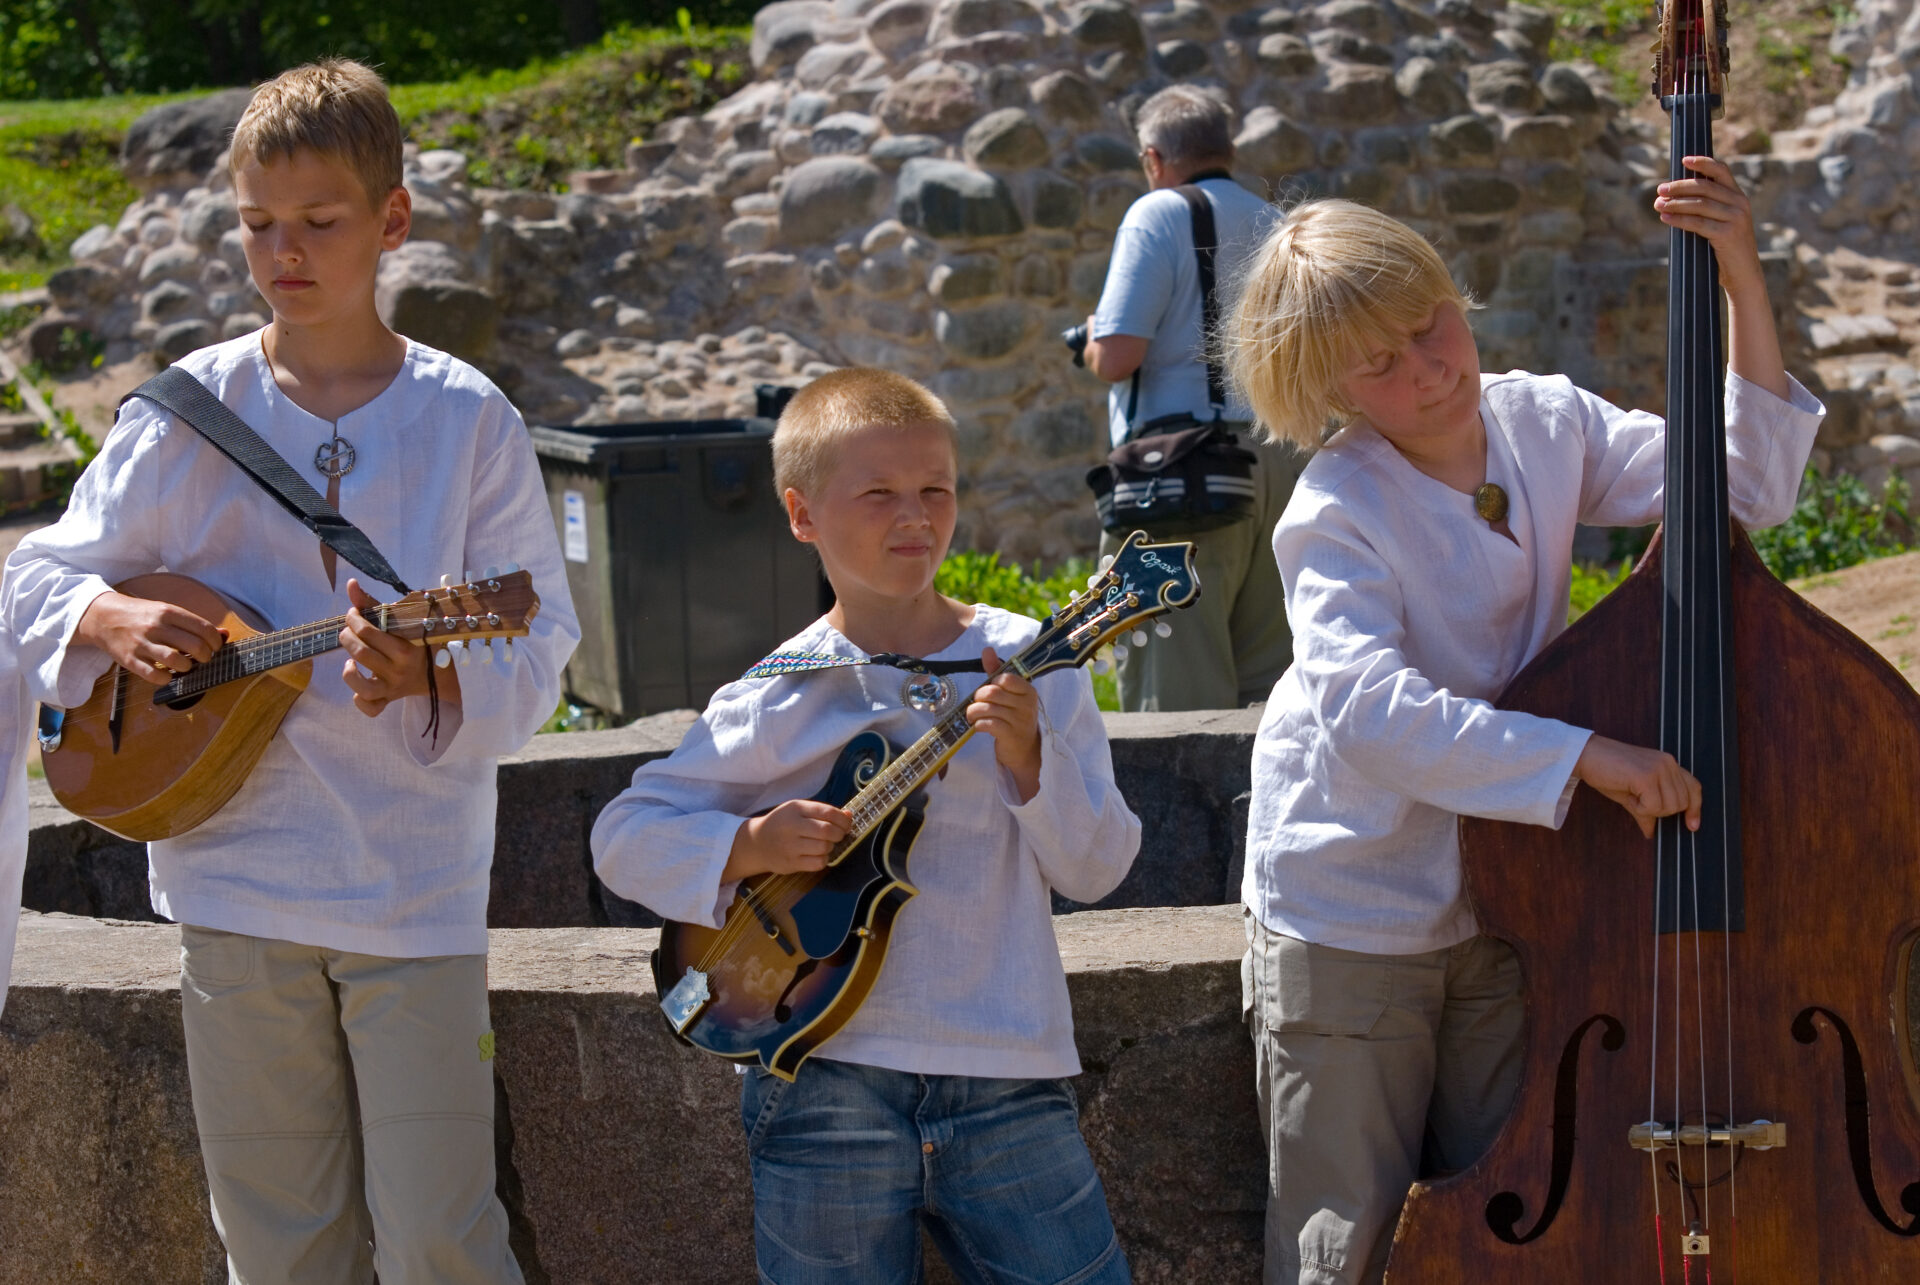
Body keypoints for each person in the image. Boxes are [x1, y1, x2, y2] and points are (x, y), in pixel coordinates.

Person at [1, 59, 578, 1283]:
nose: (285, 253)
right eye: (259, 225)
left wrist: (428, 681)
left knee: (441, 1238)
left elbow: (543, 638)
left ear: (393, 221)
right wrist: (106, 619)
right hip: (230, 879)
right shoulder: (182, 411)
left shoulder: (467, 416)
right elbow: (36, 573)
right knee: (276, 1246)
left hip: (410, 890)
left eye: (319, 223)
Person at [1223, 173, 1822, 1284]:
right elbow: (1368, 715)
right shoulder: (1336, 509)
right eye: (1380, 363)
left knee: (1510, 1230)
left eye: (1429, 323)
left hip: (1505, 896)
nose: (1429, 365)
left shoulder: (1541, 420)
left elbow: (1738, 486)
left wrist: (1739, 273)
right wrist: (1583, 755)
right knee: (1338, 1243)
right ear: (1323, 388)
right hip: (1348, 910)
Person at [592, 368, 1140, 1284]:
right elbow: (622, 835)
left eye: (936, 490)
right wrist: (751, 845)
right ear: (802, 515)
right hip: (823, 1076)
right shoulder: (777, 690)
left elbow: (1100, 866)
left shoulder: (1030, 659)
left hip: (1008, 1070)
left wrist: (1029, 760)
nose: (914, 516)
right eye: (879, 493)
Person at [1081, 84, 1301, 712]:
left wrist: (1093, 343)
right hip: (1281, 462)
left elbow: (1118, 356)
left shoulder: (1158, 213)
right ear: (1227, 147)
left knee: (1172, 693)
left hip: (1184, 476)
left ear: (1153, 159)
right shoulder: (1278, 222)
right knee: (1271, 688)